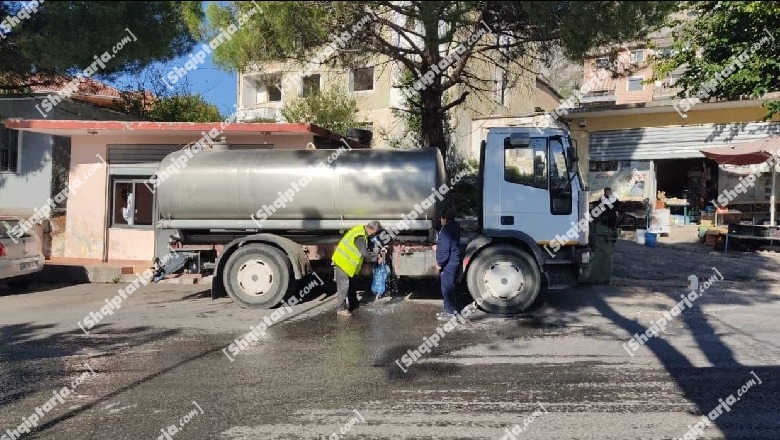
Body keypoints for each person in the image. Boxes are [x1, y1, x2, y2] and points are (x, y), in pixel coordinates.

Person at [331, 220, 382, 317]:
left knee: (352, 284)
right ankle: (340, 309)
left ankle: (353, 303)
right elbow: (364, 253)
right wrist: (376, 257)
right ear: (371, 229)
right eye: (375, 232)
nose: (375, 234)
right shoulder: (360, 236)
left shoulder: (361, 231)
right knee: (344, 285)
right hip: (342, 262)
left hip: (348, 264)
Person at [435, 208, 462, 321]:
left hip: (448, 262)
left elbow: (445, 250)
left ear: (445, 218)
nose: (440, 220)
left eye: (441, 218)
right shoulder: (454, 227)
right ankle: (450, 310)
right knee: (449, 286)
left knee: (447, 288)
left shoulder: (446, 230)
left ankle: (450, 312)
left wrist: (440, 263)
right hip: (453, 260)